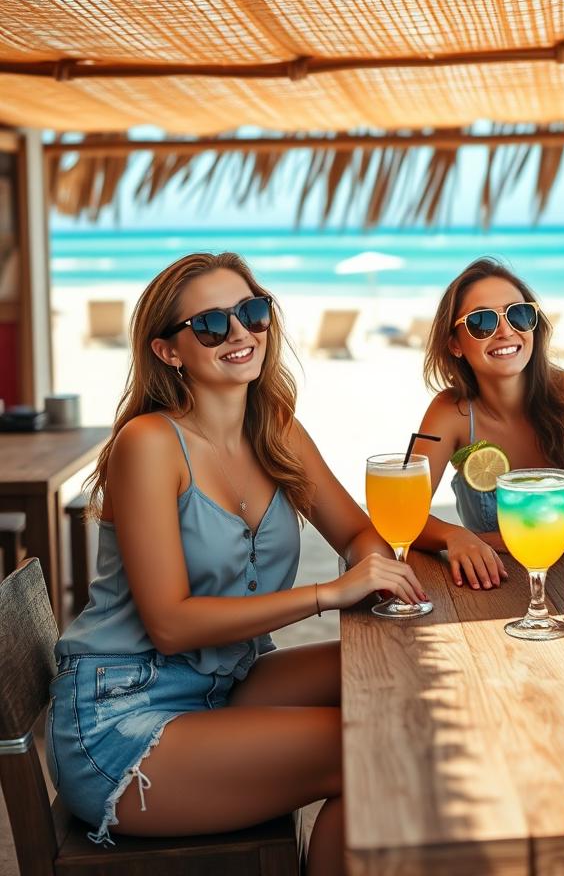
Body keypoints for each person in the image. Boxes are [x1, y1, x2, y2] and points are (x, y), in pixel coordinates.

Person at [47, 253, 425, 875]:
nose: (242, 333)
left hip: (225, 683)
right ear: (169, 351)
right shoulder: (148, 444)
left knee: (401, 687)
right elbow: (170, 623)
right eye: (212, 325)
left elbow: (359, 530)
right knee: (373, 747)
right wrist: (330, 592)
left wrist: (372, 571)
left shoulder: (275, 427)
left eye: (252, 312)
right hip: (123, 716)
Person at [414, 257, 564, 589]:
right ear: (455, 345)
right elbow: (405, 516)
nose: (505, 331)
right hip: (492, 589)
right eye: (482, 322)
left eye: (519, 314)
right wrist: (453, 534)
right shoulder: (450, 412)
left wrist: (492, 540)